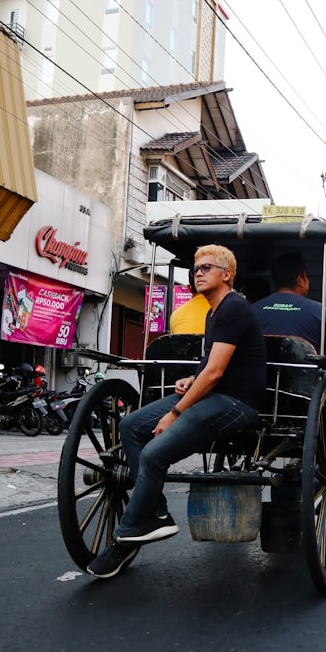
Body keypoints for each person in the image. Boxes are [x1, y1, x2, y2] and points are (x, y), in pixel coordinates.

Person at [87, 244, 267, 578]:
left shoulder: (234, 309)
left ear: (227, 274)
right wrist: (191, 379)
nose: (198, 272)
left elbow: (215, 374)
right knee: (130, 426)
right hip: (211, 395)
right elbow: (210, 367)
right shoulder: (214, 312)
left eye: (207, 267)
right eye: (196, 268)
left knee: (155, 454)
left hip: (236, 404)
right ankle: (154, 510)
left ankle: (124, 539)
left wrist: (176, 413)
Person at [252, 252, 326, 357]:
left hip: (262, 372)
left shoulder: (253, 309)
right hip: (304, 373)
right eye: (306, 276)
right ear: (300, 280)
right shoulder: (318, 311)